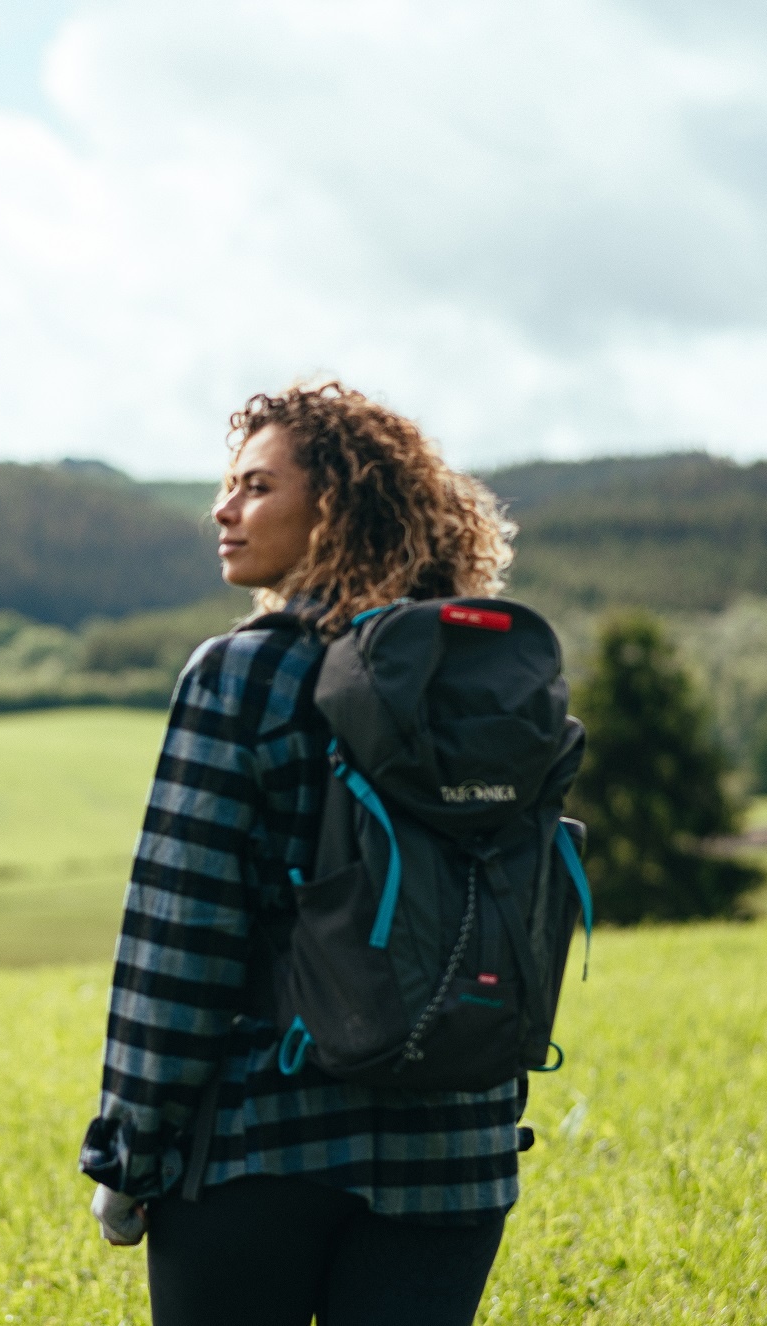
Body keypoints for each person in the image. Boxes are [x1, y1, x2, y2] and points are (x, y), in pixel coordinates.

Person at [80, 382, 522, 1325]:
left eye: (255, 486)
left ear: (338, 508)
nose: (222, 508)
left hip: (261, 1146)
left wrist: (130, 1156)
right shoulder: (483, 670)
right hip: (458, 1149)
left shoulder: (245, 671)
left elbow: (180, 940)